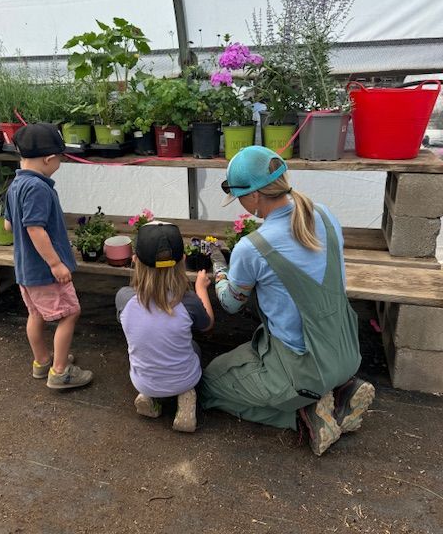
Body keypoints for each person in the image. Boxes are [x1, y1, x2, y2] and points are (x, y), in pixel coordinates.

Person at [199, 145, 375, 455]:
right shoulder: (323, 213)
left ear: (254, 196)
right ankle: (344, 388)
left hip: (302, 370)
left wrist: (220, 270)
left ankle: (304, 412)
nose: (239, 204)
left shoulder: (252, 248)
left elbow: (230, 304)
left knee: (210, 383)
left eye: (239, 197)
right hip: (345, 350)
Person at [4, 123, 93, 390]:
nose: (60, 163)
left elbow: (9, 226)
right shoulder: (38, 188)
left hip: (25, 269)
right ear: (48, 158)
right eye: (60, 158)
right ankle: (60, 371)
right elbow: (34, 227)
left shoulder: (16, 184)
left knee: (36, 314)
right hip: (44, 271)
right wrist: (55, 263)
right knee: (70, 313)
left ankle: (42, 362)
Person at [115, 221, 214, 432]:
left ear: (135, 261)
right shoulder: (188, 302)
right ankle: (186, 397)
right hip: (185, 379)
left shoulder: (124, 298)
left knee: (147, 344)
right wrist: (201, 289)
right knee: (194, 347)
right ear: (183, 262)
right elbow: (207, 325)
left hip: (142, 380)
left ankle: (149, 396)